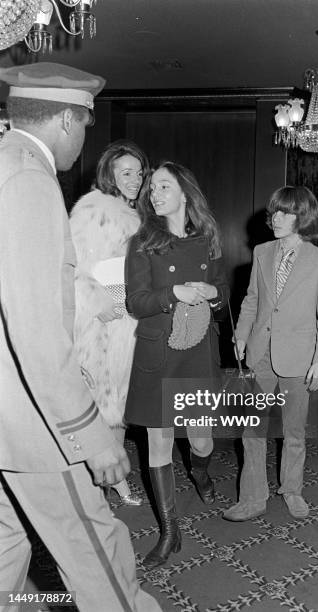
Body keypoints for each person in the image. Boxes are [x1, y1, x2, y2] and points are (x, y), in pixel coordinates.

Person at [0, 62, 161, 612]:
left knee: (6, 561)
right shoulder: (26, 177)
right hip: (34, 422)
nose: (83, 139)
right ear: (69, 119)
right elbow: (37, 328)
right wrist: (90, 434)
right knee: (100, 561)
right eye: (86, 125)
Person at [125, 161, 229, 568]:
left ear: (185, 192)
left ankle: (200, 469)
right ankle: (170, 531)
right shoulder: (143, 241)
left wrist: (212, 293)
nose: (154, 193)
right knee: (160, 441)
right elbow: (137, 301)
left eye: (163, 186)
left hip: (197, 351)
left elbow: (222, 293)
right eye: (152, 188)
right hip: (158, 354)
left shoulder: (208, 239)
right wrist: (173, 294)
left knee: (201, 438)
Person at [223, 186, 318, 522]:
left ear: (302, 217)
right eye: (274, 212)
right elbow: (251, 301)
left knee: (294, 432)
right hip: (261, 355)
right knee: (252, 430)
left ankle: (292, 490)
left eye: (285, 212)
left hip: (299, 359)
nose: (275, 218)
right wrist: (242, 334)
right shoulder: (262, 251)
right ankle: (252, 497)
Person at [70, 139, 149, 505]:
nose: (134, 179)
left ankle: (116, 480)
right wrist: (99, 300)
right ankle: (91, 490)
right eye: (126, 173)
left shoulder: (138, 213)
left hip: (129, 323)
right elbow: (73, 270)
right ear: (109, 175)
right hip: (101, 325)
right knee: (100, 407)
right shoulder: (93, 210)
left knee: (118, 408)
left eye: (138, 172)